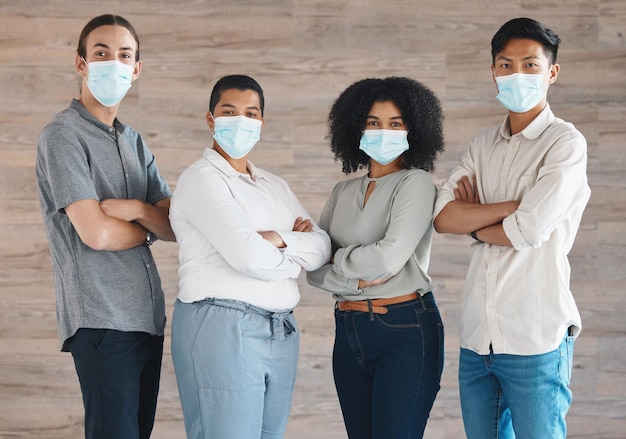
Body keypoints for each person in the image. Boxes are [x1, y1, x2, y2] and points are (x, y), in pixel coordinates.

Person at [433, 17, 591, 439]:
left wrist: (477, 219)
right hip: (477, 341)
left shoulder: (565, 143)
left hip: (536, 339)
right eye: (506, 65)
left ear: (551, 72)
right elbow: (444, 217)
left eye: (529, 64)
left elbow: (530, 229)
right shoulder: (482, 145)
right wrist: (508, 209)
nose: (516, 74)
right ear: (493, 71)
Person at [169, 74, 331, 439]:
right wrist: (292, 253)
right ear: (210, 119)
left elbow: (322, 249)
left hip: (281, 331)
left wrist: (274, 238)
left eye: (251, 113)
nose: (241, 121)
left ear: (261, 122)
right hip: (224, 327)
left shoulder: (275, 185)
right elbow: (248, 257)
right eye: (229, 111)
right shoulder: (202, 179)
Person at [36, 14, 174, 439]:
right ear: (81, 64)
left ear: (136, 69)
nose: (113, 63)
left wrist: (134, 209)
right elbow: (95, 233)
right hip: (102, 323)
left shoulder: (133, 141)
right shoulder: (62, 136)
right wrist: (148, 226)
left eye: (124, 55)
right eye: (101, 53)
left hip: (146, 321)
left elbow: (172, 224)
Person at [306, 76, 445, 439]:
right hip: (348, 331)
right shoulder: (342, 191)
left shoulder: (415, 184)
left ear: (413, 130)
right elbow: (311, 267)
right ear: (356, 128)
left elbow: (387, 259)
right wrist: (353, 275)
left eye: (395, 124)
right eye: (374, 123)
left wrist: (335, 259)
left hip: (404, 328)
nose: (384, 132)